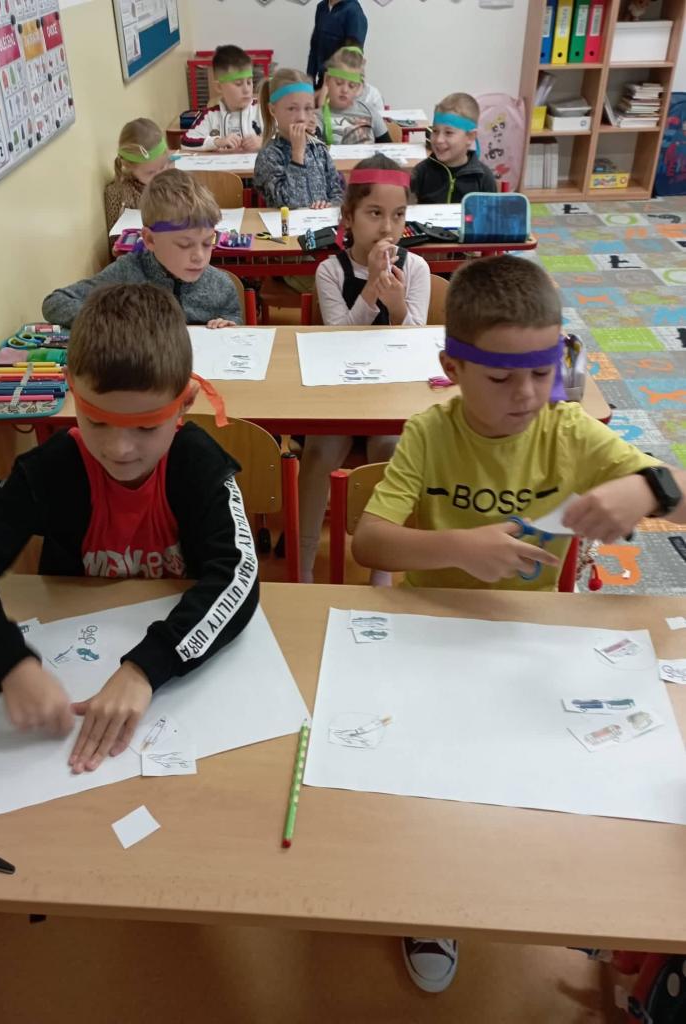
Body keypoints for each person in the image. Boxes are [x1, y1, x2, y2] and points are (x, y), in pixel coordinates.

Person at [352, 254, 686, 993]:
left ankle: (555, 887)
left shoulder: (568, 432)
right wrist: (457, 549)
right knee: (431, 782)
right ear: (452, 368)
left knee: (564, 775)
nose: (527, 395)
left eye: (541, 372)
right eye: (501, 379)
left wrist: (650, 489)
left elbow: (678, 491)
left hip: (536, 639)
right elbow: (369, 542)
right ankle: (432, 903)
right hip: (439, 632)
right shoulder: (430, 432)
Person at [0, 284, 260, 775]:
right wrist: (8, 662)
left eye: (145, 427)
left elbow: (238, 576)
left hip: (174, 683)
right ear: (72, 390)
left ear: (184, 404)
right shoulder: (50, 471)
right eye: (97, 421)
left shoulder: (199, 466)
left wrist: (146, 667)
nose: (119, 449)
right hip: (75, 662)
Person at [299, 156, 431, 582]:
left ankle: (381, 567)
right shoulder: (330, 271)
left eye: (398, 215)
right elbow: (338, 338)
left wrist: (397, 306)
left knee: (391, 452)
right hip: (340, 393)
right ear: (348, 217)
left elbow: (417, 344)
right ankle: (303, 564)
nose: (387, 228)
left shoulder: (416, 268)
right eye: (375, 214)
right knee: (317, 455)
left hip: (391, 396)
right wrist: (371, 290)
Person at [42, 170, 241, 328]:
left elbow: (234, 317)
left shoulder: (220, 285)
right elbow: (55, 303)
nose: (199, 256)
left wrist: (230, 324)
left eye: (207, 242)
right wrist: (112, 321)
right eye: (184, 244)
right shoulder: (127, 272)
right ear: (150, 239)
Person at [253, 68, 344, 209]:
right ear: (273, 110)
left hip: (321, 222)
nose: (301, 117)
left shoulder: (319, 150)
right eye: (292, 109)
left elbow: (337, 194)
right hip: (286, 223)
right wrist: (297, 155)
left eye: (308, 108)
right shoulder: (269, 156)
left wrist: (329, 205)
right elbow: (285, 203)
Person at [411, 93, 498, 205]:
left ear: (470, 137)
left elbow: (490, 214)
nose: (439, 140)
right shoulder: (421, 173)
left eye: (448, 133)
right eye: (435, 131)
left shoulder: (483, 178)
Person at [181, 44, 263, 152]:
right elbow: (185, 142)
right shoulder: (210, 116)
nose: (247, 89)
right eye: (238, 84)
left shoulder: (262, 110)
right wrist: (217, 142)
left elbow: (284, 137)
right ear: (219, 87)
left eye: (249, 82)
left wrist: (263, 141)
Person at [104, 118, 170, 232]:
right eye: (151, 172)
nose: (160, 177)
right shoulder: (118, 195)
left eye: (162, 166)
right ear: (128, 166)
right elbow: (117, 240)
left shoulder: (170, 182)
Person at [315, 49, 389, 146]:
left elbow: (388, 148)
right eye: (339, 83)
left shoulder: (369, 112)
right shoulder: (318, 116)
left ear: (358, 87)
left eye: (351, 85)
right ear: (327, 80)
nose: (345, 90)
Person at [307, 0, 367, 89]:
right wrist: (309, 81)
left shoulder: (354, 12)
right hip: (322, 80)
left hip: (340, 83)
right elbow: (314, 48)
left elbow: (353, 57)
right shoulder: (321, 7)